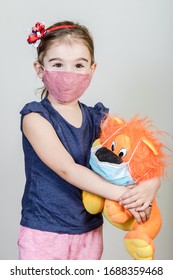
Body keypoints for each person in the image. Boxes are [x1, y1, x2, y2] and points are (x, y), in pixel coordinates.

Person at [18, 20, 160, 260]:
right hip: (44, 231)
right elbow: (67, 169)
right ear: (40, 69)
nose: (68, 73)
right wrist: (125, 196)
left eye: (79, 65)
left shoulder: (97, 118)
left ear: (92, 70)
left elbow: (136, 150)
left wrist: (149, 186)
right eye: (57, 64)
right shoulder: (35, 117)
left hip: (89, 231)